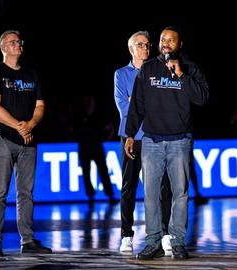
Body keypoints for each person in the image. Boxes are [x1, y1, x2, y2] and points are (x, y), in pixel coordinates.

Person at [125, 26, 209, 260]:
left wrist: (181, 74)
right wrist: (130, 133)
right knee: (151, 194)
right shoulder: (148, 68)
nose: (165, 43)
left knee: (180, 194)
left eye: (171, 40)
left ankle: (178, 242)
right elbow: (137, 105)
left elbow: (202, 98)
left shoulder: (190, 68)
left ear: (180, 45)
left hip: (180, 140)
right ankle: (153, 242)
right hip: (151, 140)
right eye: (163, 39)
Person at [0, 30, 52, 256]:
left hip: (28, 141)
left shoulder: (31, 74)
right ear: (3, 47)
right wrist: (19, 126)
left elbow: (40, 106)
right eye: (13, 42)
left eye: (19, 41)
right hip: (3, 139)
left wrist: (30, 124)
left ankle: (28, 240)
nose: (18, 45)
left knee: (26, 193)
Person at [114, 30, 172, 254]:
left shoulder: (158, 71)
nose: (146, 49)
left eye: (148, 45)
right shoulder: (121, 74)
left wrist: (139, 101)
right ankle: (126, 234)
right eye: (141, 45)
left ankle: (164, 233)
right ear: (131, 49)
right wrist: (145, 103)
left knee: (161, 187)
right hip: (131, 136)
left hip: (155, 135)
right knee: (129, 186)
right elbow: (124, 106)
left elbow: (162, 103)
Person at [75, 94, 117, 204]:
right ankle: (90, 196)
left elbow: (110, 127)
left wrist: (106, 138)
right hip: (84, 147)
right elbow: (71, 128)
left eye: (88, 99)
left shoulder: (99, 113)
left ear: (92, 99)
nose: (86, 102)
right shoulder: (79, 113)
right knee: (86, 173)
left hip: (97, 146)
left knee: (103, 171)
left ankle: (110, 195)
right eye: (84, 99)